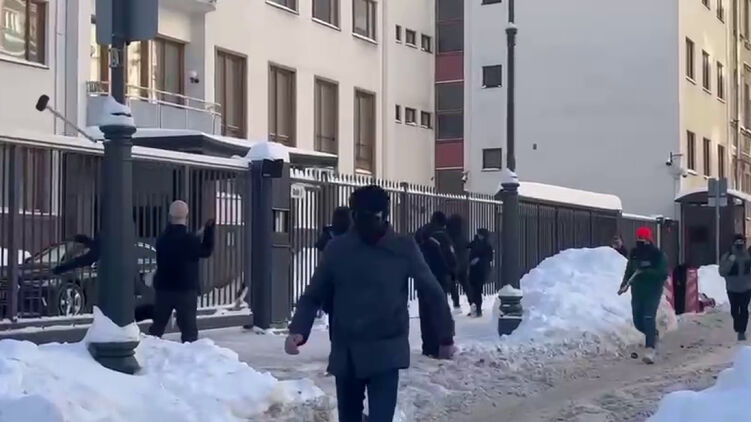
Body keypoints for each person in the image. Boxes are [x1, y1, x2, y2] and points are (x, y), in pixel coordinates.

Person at [285, 185, 455, 422]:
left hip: (387, 350)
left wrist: (445, 336)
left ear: (385, 215)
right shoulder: (338, 250)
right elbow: (313, 294)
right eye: (364, 216)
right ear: (354, 216)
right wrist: (298, 330)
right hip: (347, 353)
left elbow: (433, 292)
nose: (370, 224)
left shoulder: (403, 248)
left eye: (376, 216)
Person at [148, 200, 215, 343]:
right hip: (186, 289)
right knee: (189, 330)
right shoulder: (191, 240)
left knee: (157, 328)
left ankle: (150, 351)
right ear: (187, 215)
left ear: (169, 215)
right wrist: (209, 231)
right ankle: (188, 354)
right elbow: (206, 251)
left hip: (164, 288)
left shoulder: (162, 240)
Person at [617, 226, 667, 364]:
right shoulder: (634, 253)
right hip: (637, 291)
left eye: (643, 238)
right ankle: (653, 335)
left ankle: (650, 349)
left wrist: (646, 272)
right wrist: (624, 283)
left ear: (649, 238)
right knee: (638, 321)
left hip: (652, 291)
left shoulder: (657, 255)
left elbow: (663, 273)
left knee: (648, 317)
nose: (640, 240)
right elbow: (629, 270)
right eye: (639, 237)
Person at [415, 211, 458, 357]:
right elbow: (450, 257)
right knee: (439, 310)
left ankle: (427, 346)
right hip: (439, 278)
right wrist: (452, 272)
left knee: (425, 312)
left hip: (422, 277)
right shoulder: (442, 236)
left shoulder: (420, 234)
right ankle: (440, 345)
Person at [718, 234, 751, 341]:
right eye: (737, 243)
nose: (739, 245)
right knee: (734, 310)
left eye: (741, 242)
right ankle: (738, 326)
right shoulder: (728, 256)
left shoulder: (748, 255)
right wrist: (730, 261)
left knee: (744, 309)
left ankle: (742, 331)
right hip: (732, 289)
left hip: (746, 288)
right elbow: (722, 272)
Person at [467, 228, 494, 317]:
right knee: (472, 290)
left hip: (481, 270)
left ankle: (478, 309)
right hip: (473, 269)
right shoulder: (474, 243)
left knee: (478, 290)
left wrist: (478, 260)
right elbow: (467, 246)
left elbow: (489, 258)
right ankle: (474, 308)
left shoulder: (487, 245)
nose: (479, 236)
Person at [446, 214, 470, 310]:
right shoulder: (461, 234)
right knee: (465, 283)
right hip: (463, 261)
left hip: (454, 262)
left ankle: (456, 302)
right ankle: (472, 301)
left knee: (452, 283)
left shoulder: (449, 235)